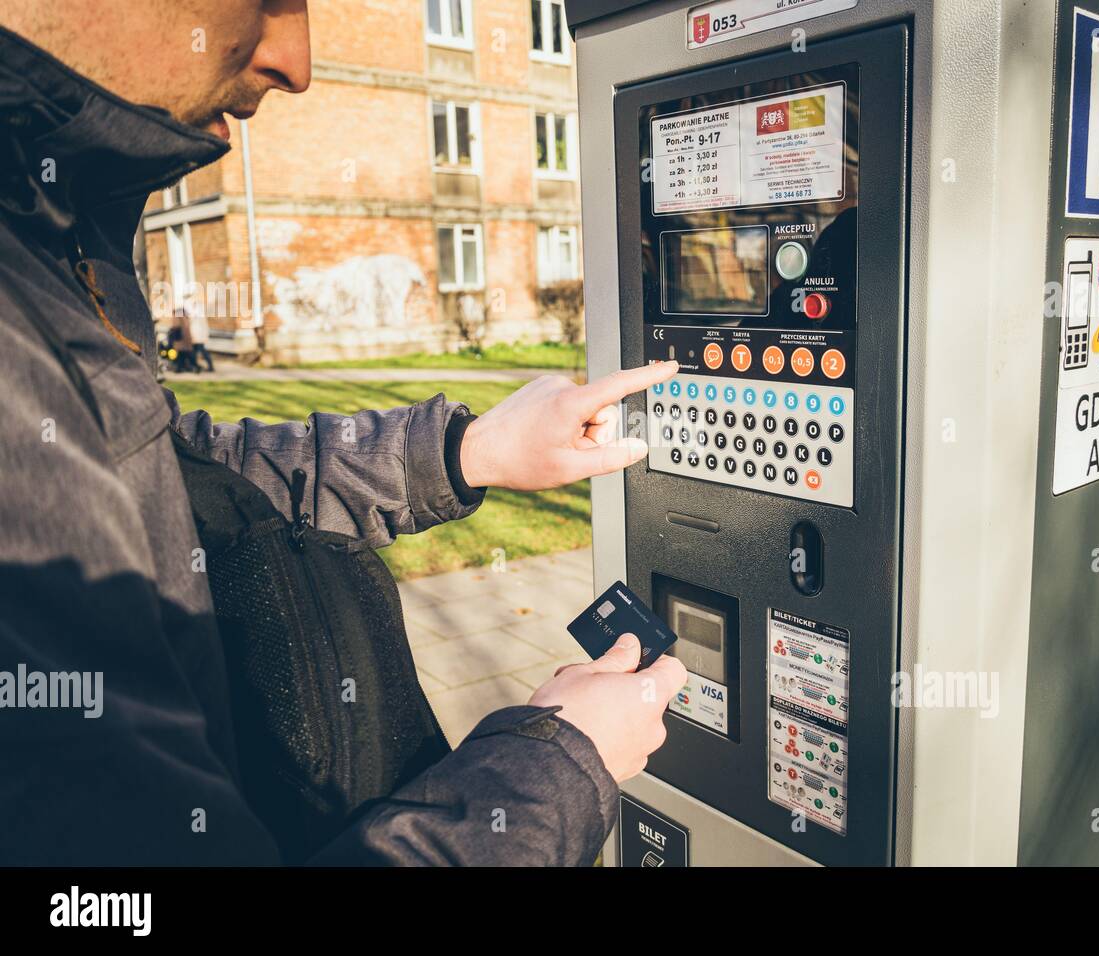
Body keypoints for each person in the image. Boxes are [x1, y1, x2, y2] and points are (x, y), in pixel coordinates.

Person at [0, 1, 687, 866]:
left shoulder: (44, 233)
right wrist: (553, 768)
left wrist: (466, 450)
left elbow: (188, 482)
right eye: (270, 2)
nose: (296, 60)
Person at [180, 302, 215, 372]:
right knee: (193, 352)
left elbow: (205, 326)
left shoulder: (201, 317)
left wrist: (205, 336)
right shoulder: (190, 316)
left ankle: (210, 366)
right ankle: (195, 366)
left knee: (202, 351)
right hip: (193, 336)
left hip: (199, 337)